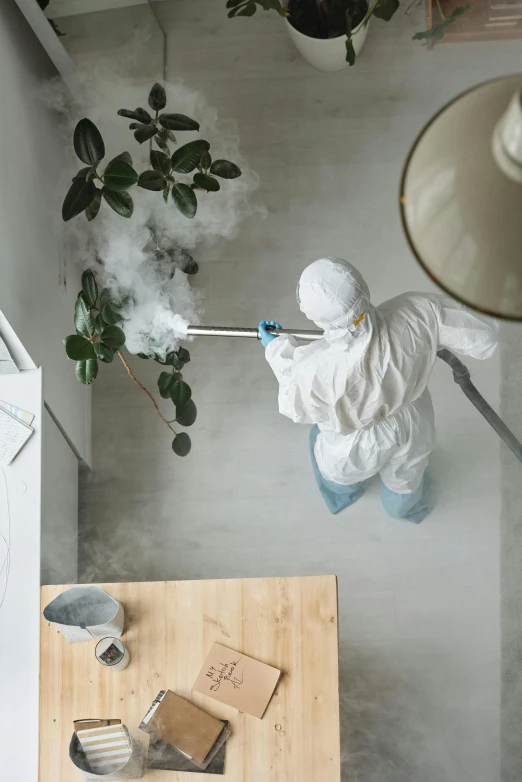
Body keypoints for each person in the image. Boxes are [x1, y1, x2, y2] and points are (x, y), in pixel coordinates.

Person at [259, 257, 498, 523]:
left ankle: (344, 495)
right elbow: (484, 338)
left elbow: (296, 406)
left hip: (357, 442)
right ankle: (405, 509)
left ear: (314, 315)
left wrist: (276, 348)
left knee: (336, 468)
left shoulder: (315, 369)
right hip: (413, 420)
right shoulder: (417, 308)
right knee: (407, 477)